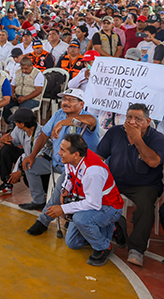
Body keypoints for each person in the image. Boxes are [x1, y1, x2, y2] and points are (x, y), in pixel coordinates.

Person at [97, 103, 164, 267]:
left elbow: (154, 162)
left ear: (148, 121)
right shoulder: (115, 132)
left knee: (146, 207)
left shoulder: (158, 138)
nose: (132, 122)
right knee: (94, 195)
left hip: (144, 184)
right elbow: (99, 156)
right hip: (115, 181)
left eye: (138, 119)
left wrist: (138, 139)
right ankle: (104, 234)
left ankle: (136, 249)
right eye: (129, 118)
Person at [24, 88, 100, 233]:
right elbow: (44, 135)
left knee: (60, 186)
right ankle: (38, 200)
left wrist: (64, 123)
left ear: (81, 104)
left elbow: (91, 121)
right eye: (64, 99)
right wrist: (32, 155)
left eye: (71, 100)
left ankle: (43, 221)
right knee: (30, 166)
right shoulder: (58, 114)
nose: (66, 102)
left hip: (75, 168)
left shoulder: (89, 117)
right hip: (55, 161)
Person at [46, 134, 123, 267]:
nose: (59, 153)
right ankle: (109, 229)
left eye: (63, 150)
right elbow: (69, 177)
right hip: (91, 203)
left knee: (81, 219)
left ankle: (104, 247)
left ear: (75, 154)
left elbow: (93, 203)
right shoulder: (72, 160)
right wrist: (66, 189)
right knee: (72, 243)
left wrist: (63, 208)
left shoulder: (93, 171)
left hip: (109, 206)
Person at [0, 108, 46, 196]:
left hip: (39, 163)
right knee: (6, 150)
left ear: (22, 124)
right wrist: (4, 140)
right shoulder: (19, 129)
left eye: (16, 121)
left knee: (28, 177)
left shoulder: (42, 135)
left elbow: (40, 159)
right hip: (27, 157)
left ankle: (43, 191)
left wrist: (20, 172)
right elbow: (12, 142)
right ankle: (7, 184)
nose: (14, 123)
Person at [2, 57, 44, 124]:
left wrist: (25, 98)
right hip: (18, 96)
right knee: (4, 104)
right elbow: (12, 85)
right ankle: (11, 123)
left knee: (21, 111)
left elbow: (38, 91)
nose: (23, 70)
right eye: (22, 68)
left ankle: (18, 127)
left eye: (26, 69)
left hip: (32, 99)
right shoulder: (18, 72)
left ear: (31, 66)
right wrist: (12, 94)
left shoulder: (38, 74)